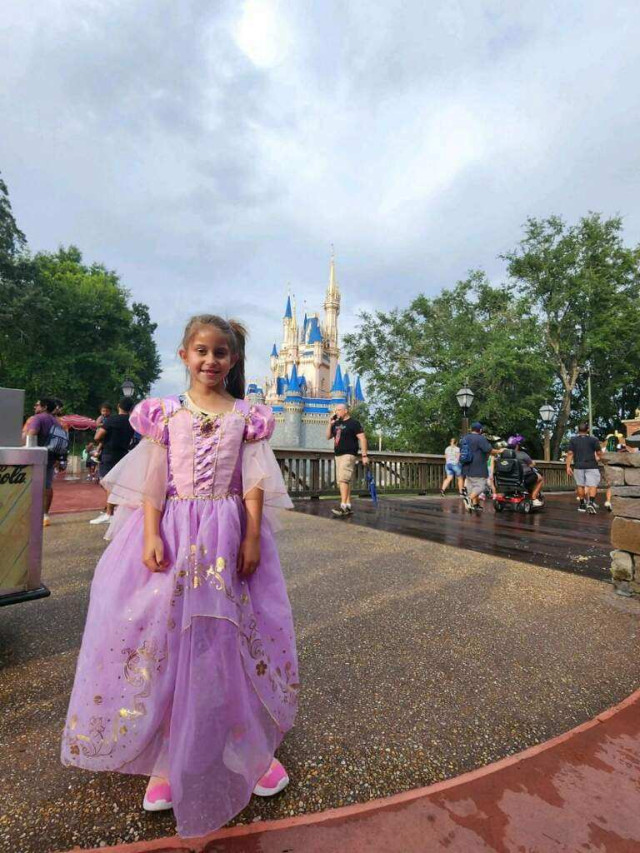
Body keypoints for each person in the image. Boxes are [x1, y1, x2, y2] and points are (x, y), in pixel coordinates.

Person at [61, 314, 298, 838]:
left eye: (220, 352)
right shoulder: (163, 414)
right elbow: (153, 481)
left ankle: (243, 740)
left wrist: (252, 536)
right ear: (185, 354)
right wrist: (150, 533)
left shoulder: (248, 417)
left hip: (226, 535)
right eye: (201, 350)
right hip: (173, 531)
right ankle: (167, 755)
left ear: (233, 360)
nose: (210, 360)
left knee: (225, 635)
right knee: (165, 635)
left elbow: (254, 482)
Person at [23, 396, 69, 527]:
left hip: (36, 457)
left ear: (44, 407)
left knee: (31, 486)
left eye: (37, 405)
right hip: (51, 457)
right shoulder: (57, 421)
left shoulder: (37, 418)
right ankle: (45, 515)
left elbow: (31, 435)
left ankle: (32, 514)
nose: (35, 407)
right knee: (47, 486)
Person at [89, 398, 135, 524]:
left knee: (107, 482)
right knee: (116, 483)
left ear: (118, 406)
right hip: (123, 454)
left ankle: (109, 513)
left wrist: (101, 440)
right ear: (131, 408)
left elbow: (97, 437)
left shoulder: (112, 420)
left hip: (109, 454)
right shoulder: (132, 422)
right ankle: (113, 508)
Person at [326, 402, 369, 517]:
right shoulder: (336, 423)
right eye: (336, 410)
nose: (336, 412)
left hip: (348, 454)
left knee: (343, 480)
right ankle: (348, 505)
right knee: (343, 481)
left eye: (339, 410)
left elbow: (363, 439)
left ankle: (343, 506)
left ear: (346, 411)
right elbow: (328, 436)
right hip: (338, 455)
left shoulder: (354, 423)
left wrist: (364, 455)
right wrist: (330, 424)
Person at [460, 422, 498, 512]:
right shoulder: (481, 439)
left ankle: (475, 504)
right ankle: (468, 498)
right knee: (481, 486)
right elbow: (489, 449)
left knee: (471, 487)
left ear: (471, 429)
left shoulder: (465, 438)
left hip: (467, 467)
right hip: (478, 467)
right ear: (480, 430)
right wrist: (500, 451)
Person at [566, 421, 603, 513]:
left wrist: (568, 467)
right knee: (593, 485)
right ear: (588, 430)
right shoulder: (594, 440)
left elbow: (570, 454)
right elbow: (599, 453)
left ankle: (582, 504)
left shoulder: (573, 440)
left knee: (580, 485)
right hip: (592, 465)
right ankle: (591, 503)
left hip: (578, 466)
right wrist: (603, 459)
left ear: (578, 430)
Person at [507, 435, 544, 507]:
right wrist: (533, 463)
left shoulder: (503, 455)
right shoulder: (522, 454)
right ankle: (534, 498)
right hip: (521, 479)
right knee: (540, 478)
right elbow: (531, 465)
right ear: (517, 445)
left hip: (508, 479)